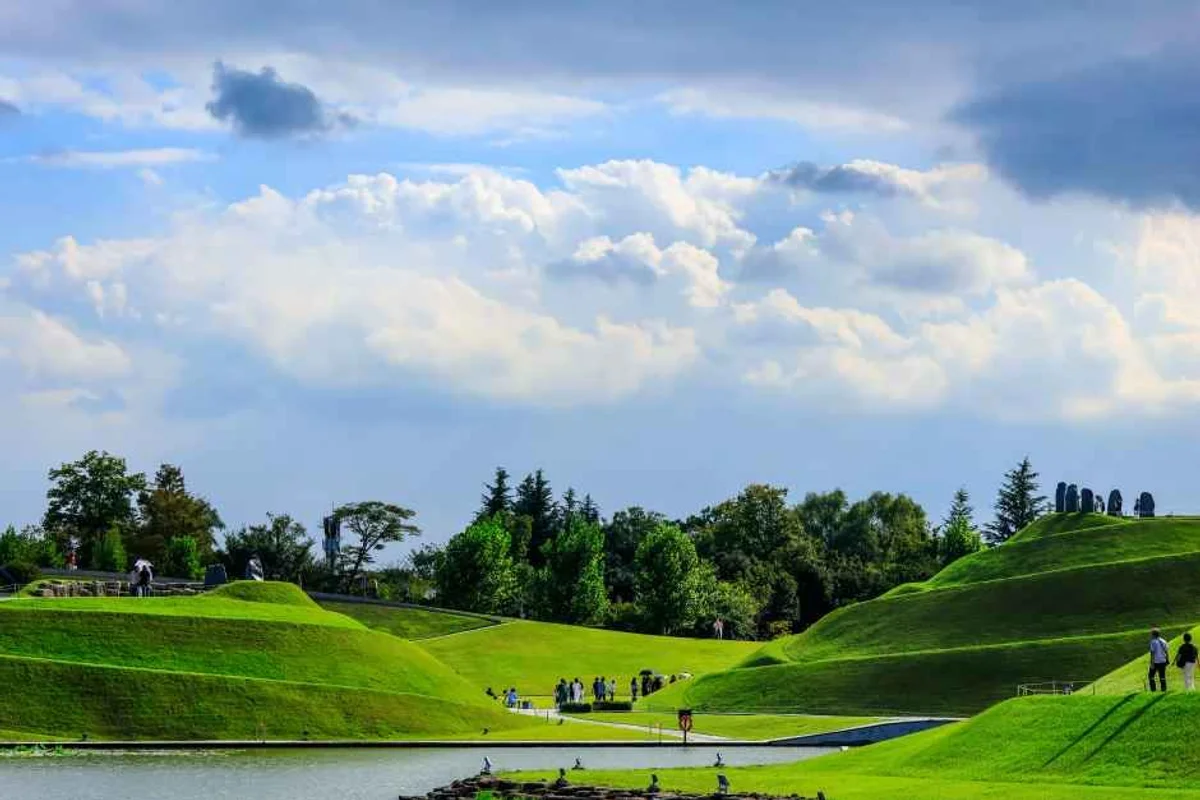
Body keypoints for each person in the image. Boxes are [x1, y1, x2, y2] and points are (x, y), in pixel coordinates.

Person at [1149, 627, 1170, 691]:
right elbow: (1166, 651)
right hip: (1163, 661)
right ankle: (1164, 689)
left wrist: (1152, 663)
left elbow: (1152, 653)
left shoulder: (1153, 642)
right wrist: (1167, 659)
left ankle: (1153, 690)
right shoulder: (1163, 641)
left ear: (1153, 634)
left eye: (1151, 634)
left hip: (1156, 661)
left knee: (1151, 676)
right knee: (1162, 676)